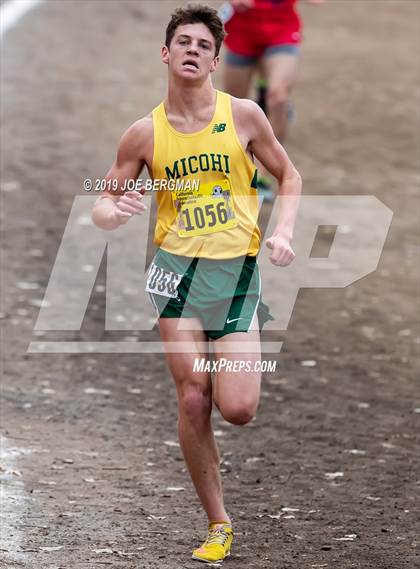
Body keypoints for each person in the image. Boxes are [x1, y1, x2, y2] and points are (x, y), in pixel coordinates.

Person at [91, 4, 301, 564]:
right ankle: (218, 524)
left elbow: (289, 174)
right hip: (174, 278)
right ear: (166, 53)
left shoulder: (245, 117)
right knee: (192, 397)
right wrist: (116, 212)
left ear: (214, 60)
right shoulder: (142, 135)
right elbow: (103, 204)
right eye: (182, 42)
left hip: (233, 277)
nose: (191, 50)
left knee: (238, 409)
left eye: (203, 45)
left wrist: (281, 232)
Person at [221, 0, 324, 198]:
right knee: (233, 107)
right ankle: (236, 168)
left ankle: (260, 175)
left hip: (281, 29)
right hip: (242, 29)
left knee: (278, 98)